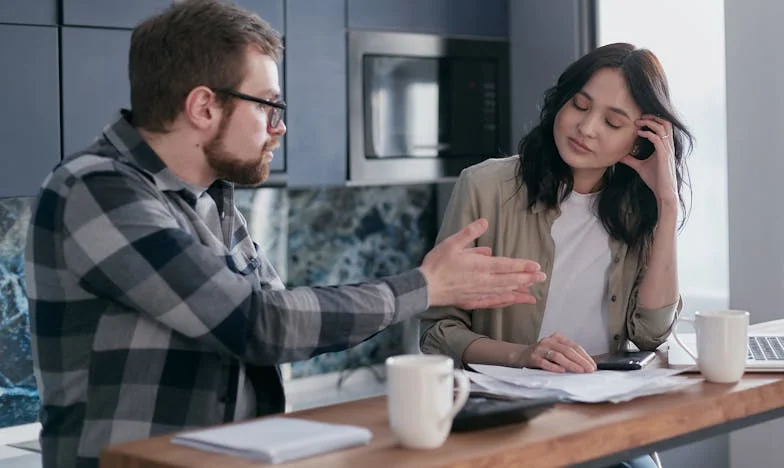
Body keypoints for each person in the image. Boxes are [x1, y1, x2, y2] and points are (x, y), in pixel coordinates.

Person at [24, 1, 547, 467]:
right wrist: (425, 287)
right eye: (267, 105)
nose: (280, 127)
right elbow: (257, 323)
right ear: (204, 107)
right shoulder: (95, 190)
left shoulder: (213, 199)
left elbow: (283, 323)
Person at [420, 43, 693, 468]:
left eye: (612, 121)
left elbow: (650, 333)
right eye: (579, 105)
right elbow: (437, 331)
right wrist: (523, 355)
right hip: (507, 415)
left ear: (638, 142)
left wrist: (667, 203)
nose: (586, 127)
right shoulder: (485, 187)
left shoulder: (638, 209)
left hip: (601, 415)